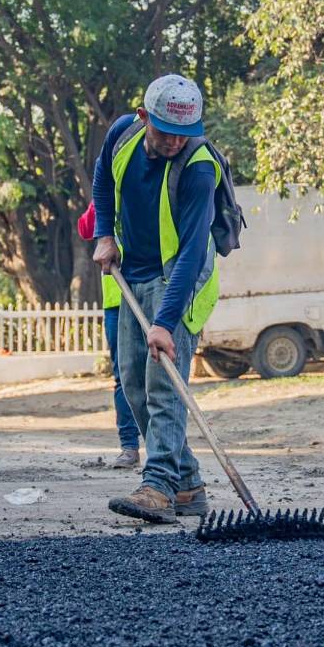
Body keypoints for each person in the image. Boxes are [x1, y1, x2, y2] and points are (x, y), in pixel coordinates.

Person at [91, 74, 219, 524]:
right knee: (132, 383)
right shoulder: (122, 134)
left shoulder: (200, 168)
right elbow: (103, 179)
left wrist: (166, 322)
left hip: (180, 283)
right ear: (144, 118)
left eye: (184, 135)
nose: (174, 144)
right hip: (133, 275)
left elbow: (190, 254)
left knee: (164, 386)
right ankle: (190, 487)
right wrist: (105, 233)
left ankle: (159, 486)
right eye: (166, 133)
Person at [77, 202, 142, 469]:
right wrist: (100, 198)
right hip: (115, 302)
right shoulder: (106, 198)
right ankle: (129, 446)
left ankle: (167, 448)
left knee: (156, 373)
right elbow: (85, 229)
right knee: (123, 377)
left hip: (147, 292)